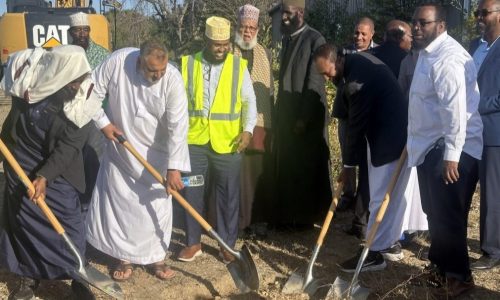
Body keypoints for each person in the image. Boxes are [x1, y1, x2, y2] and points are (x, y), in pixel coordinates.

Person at [0, 45, 100, 299]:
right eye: (73, 82)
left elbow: (69, 147)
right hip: (20, 156)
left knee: (69, 222)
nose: (77, 86)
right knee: (22, 219)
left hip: (59, 168)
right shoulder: (29, 78)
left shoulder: (85, 100)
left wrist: (44, 177)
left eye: (80, 80)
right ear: (58, 76)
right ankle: (28, 278)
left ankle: (78, 277)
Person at [86, 40, 190, 281]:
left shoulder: (172, 79)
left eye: (162, 70)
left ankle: (156, 257)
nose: (158, 75)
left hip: (158, 156)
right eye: (153, 71)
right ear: (139, 62)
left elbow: (178, 126)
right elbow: (90, 91)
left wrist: (174, 167)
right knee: (122, 205)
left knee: (157, 206)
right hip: (121, 150)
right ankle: (124, 257)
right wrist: (103, 123)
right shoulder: (118, 62)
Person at [408, 3, 483, 297]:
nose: (416, 28)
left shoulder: (447, 59)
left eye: (423, 23)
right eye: (414, 22)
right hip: (432, 146)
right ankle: (439, 269)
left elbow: (455, 110)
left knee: (448, 216)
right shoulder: (428, 55)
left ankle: (460, 279)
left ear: (440, 25)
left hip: (454, 150)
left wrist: (452, 154)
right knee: (434, 213)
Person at [314, 44, 411, 271]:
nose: (327, 79)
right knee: (389, 195)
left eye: (327, 73)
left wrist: (348, 167)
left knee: (379, 196)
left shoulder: (357, 81)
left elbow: (355, 127)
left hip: (389, 137)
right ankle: (388, 244)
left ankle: (374, 252)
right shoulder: (354, 64)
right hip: (390, 133)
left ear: (337, 61)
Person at [177, 16, 257, 263]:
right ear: (206, 40)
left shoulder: (237, 66)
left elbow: (249, 101)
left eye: (225, 44)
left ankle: (226, 245)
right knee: (192, 190)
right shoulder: (188, 64)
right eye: (216, 44)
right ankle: (192, 242)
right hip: (194, 142)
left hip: (229, 142)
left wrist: (248, 130)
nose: (222, 49)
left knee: (228, 194)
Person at [272, 0, 331, 230]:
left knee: (305, 168)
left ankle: (305, 220)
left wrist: (303, 119)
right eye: (283, 14)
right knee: (289, 167)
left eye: (288, 13)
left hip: (306, 119)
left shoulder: (315, 39)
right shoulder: (288, 39)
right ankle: (289, 217)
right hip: (287, 117)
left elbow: (314, 82)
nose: (284, 18)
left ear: (301, 13)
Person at [233, 4, 274, 237]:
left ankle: (257, 221)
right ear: (237, 27)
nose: (247, 31)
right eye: (243, 27)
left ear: (257, 29)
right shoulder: (227, 50)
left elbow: (269, 90)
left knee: (256, 173)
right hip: (233, 122)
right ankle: (238, 222)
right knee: (236, 175)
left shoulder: (264, 52)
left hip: (260, 121)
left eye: (251, 27)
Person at [68, 12, 110, 215]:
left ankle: (92, 203)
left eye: (85, 30)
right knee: (70, 158)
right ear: (71, 32)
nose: (82, 34)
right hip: (67, 116)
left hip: (94, 116)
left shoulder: (102, 55)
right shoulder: (62, 53)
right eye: (78, 30)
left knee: (93, 158)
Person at [469, 0, 500, 271]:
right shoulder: (473, 46)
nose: (478, 16)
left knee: (492, 195)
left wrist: (474, 105)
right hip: (466, 132)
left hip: (493, 133)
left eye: (484, 13)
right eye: (476, 12)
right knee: (460, 188)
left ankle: (492, 250)